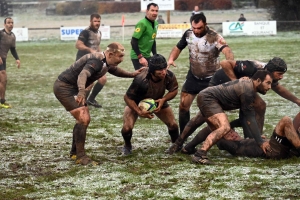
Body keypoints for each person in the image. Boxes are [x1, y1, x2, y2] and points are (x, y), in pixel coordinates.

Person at [166, 57, 300, 155]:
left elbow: (279, 89)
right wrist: (235, 82)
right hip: (220, 85)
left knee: (258, 105)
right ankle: (180, 143)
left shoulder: (266, 78)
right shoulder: (254, 67)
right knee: (204, 118)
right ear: (269, 72)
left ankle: (253, 138)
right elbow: (225, 63)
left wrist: (297, 101)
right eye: (280, 74)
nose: (281, 77)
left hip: (241, 92)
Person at [53, 42, 144, 165]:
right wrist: (81, 92)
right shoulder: (96, 61)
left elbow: (114, 70)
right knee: (83, 118)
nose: (122, 59)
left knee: (83, 119)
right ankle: (80, 156)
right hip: (64, 88)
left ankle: (75, 153)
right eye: (120, 56)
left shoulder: (106, 61)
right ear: (111, 54)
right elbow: (83, 74)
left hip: (72, 88)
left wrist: (132, 74)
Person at [167, 13, 234, 136]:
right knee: (183, 106)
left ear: (205, 25)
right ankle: (183, 136)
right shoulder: (188, 34)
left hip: (212, 79)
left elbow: (227, 51)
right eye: (194, 28)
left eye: (199, 28)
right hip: (194, 76)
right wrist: (171, 59)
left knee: (211, 111)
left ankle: (221, 136)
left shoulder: (214, 37)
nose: (196, 31)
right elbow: (178, 47)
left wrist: (229, 63)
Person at [190, 70, 273, 164]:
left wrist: (256, 136)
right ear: (258, 80)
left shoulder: (248, 87)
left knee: (216, 130)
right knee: (224, 127)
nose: (269, 87)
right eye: (268, 83)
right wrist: (260, 142)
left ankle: (188, 148)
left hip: (206, 96)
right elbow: (250, 118)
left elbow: (244, 118)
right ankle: (199, 154)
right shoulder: (248, 91)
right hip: (208, 98)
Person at [121, 54, 179, 155]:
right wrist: (139, 111)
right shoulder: (141, 79)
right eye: (160, 70)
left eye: (164, 68)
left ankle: (176, 145)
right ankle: (127, 146)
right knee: (127, 128)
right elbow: (127, 97)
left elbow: (174, 90)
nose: (163, 72)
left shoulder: (169, 75)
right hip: (136, 101)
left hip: (157, 100)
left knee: (173, 125)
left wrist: (163, 99)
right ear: (152, 71)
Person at [217, 112, 300, 159]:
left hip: (285, 149)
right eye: (227, 135)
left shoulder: (248, 139)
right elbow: (219, 142)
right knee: (285, 120)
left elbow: (244, 120)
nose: (232, 135)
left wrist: (259, 139)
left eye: (231, 132)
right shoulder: (236, 147)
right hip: (273, 151)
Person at [75, 13, 105, 108]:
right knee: (89, 83)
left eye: (99, 21)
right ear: (91, 21)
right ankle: (82, 103)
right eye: (95, 21)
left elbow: (97, 45)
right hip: (84, 60)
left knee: (102, 79)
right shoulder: (85, 32)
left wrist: (101, 55)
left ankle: (91, 99)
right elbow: (78, 45)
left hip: (95, 60)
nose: (97, 23)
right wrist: (89, 49)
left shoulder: (99, 32)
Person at [130, 3, 158, 70]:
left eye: (156, 11)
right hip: (138, 56)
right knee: (143, 77)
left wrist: (155, 56)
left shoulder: (156, 24)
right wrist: (140, 57)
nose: (154, 13)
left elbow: (153, 40)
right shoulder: (142, 23)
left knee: (154, 76)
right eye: (152, 10)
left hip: (147, 56)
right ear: (147, 11)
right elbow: (133, 41)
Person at [0, 17, 21, 109]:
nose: (11, 24)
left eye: (12, 22)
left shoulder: (12, 36)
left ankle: (2, 101)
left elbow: (12, 49)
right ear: (4, 24)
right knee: (3, 77)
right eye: (8, 23)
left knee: (4, 81)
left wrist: (17, 58)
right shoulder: (1, 34)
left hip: (3, 60)